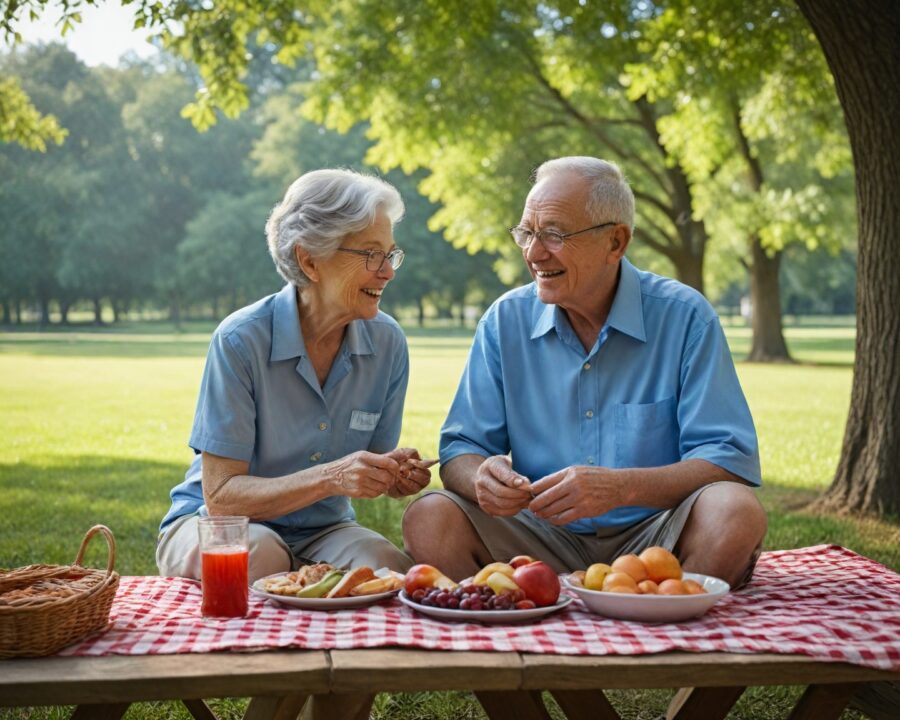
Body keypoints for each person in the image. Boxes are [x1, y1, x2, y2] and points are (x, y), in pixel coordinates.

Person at [403, 157, 766, 589]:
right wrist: (481, 478)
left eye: (554, 235)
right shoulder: (504, 321)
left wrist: (622, 489)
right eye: (527, 233)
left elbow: (727, 460)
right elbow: (462, 449)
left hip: (658, 534)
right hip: (536, 534)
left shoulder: (686, 317)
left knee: (734, 511)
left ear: (616, 242)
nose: (534, 253)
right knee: (430, 517)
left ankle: (665, 604)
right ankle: (517, 606)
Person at [157, 168, 431, 583]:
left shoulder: (388, 343)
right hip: (216, 523)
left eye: (390, 255)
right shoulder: (240, 340)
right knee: (261, 557)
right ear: (310, 260)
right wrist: (332, 477)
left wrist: (394, 476)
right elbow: (221, 498)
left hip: (324, 530)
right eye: (371, 254)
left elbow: (369, 467)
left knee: (388, 570)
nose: (388, 271)